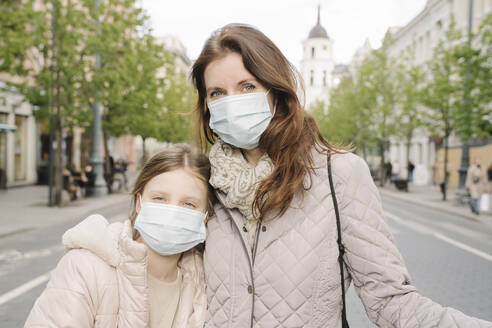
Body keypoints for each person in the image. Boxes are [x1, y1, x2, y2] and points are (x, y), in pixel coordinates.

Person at [191, 24, 492, 327]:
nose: (231, 102)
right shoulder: (200, 183)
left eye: (247, 86)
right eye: (217, 93)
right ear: (206, 105)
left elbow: (391, 302)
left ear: (276, 91)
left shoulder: (338, 174)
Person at [25, 144, 210, 328]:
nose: (172, 212)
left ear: (206, 216)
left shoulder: (207, 284)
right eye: (159, 199)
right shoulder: (85, 268)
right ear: (139, 203)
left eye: (189, 204)